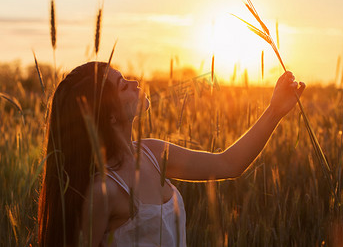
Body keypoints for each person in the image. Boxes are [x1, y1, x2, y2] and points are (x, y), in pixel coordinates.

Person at [38, 61, 305, 247]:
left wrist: (275, 112)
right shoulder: (103, 190)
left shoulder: (154, 152)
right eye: (122, 85)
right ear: (108, 115)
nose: (135, 82)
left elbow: (228, 164)